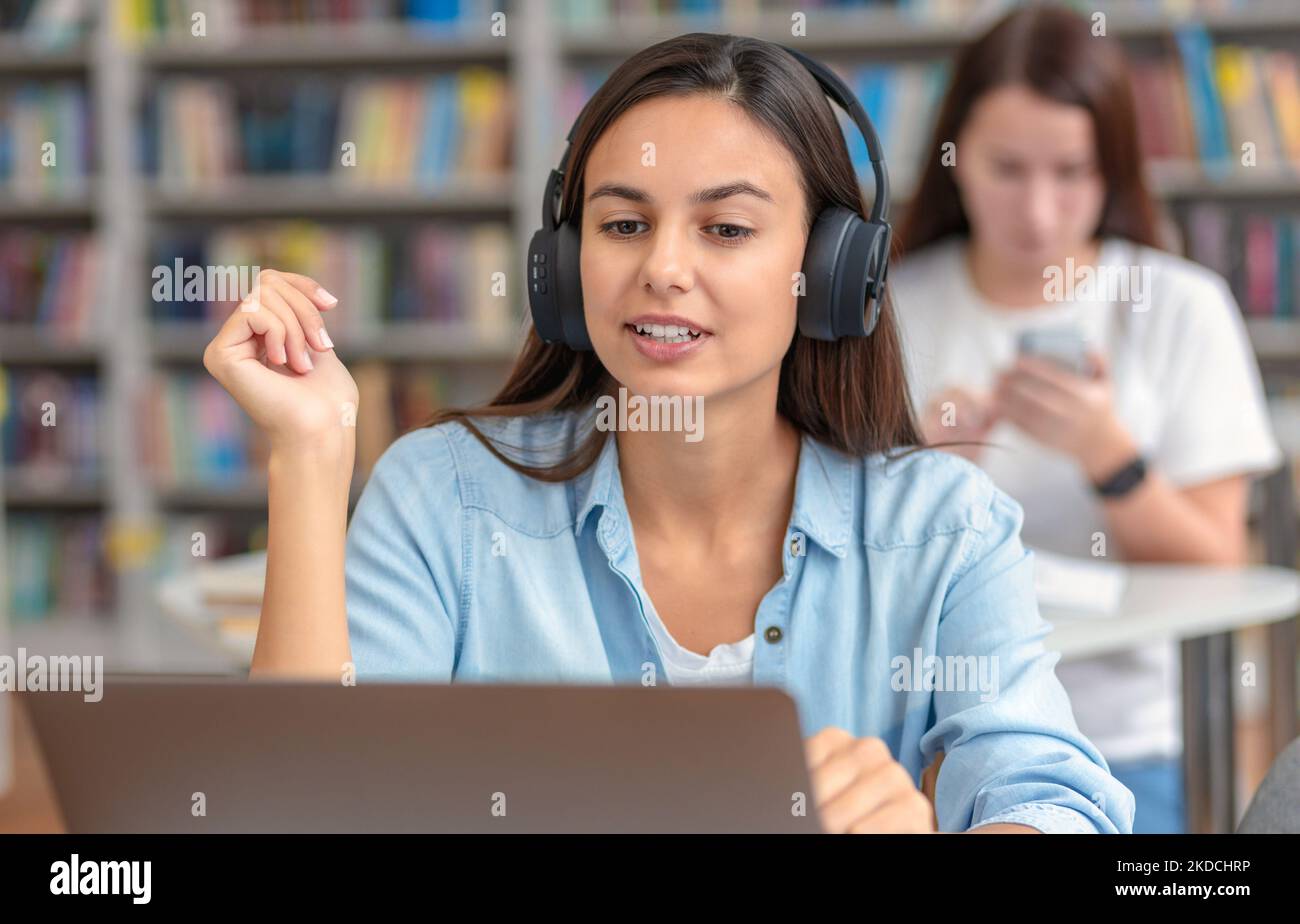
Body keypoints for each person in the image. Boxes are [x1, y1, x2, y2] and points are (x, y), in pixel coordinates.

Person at [203, 32, 1133, 834]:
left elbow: (1047, 791)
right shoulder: (445, 498)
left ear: (830, 268)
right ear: (565, 268)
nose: (664, 269)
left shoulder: (944, 527)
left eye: (726, 229)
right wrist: (310, 453)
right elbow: (305, 814)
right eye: (622, 224)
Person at [891, 5, 1282, 833]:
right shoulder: (890, 306)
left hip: (1128, 744)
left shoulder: (1178, 305)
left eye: (1071, 171)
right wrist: (909, 473)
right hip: (926, 743)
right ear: (952, 158)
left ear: (1112, 171)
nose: (1038, 212)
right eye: (1005, 168)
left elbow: (1221, 560)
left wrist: (1111, 457)